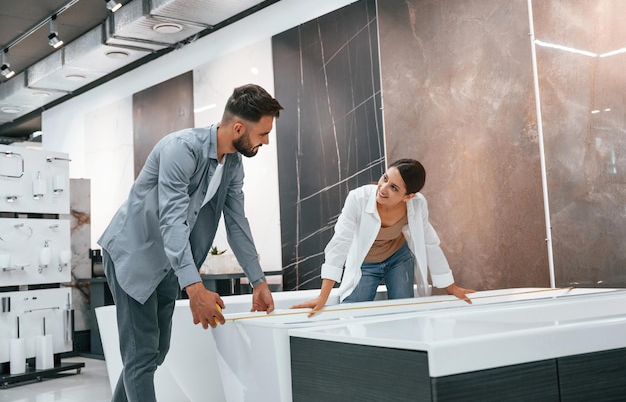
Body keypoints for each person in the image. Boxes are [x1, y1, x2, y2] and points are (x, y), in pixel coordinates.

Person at [98, 83, 283, 402]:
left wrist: (258, 281)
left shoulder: (233, 164)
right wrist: (194, 288)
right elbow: (170, 220)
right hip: (135, 255)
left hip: (171, 263)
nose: (265, 140)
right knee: (141, 356)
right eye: (262, 134)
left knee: (155, 352)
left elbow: (236, 221)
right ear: (239, 128)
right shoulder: (180, 149)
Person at [291, 158, 474, 316]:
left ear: (408, 196)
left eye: (394, 188)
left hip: (398, 259)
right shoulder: (358, 199)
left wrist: (450, 286)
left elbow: (429, 243)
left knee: (404, 312)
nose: (383, 188)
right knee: (352, 313)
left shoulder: (417, 204)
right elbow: (340, 244)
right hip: (365, 263)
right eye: (385, 178)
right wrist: (323, 297)